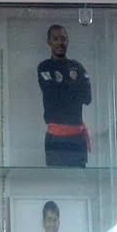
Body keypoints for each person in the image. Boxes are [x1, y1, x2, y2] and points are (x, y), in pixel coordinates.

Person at [37, 24, 91, 167]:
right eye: (56, 39)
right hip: (56, 138)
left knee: (80, 183)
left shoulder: (77, 66)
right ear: (49, 42)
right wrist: (74, 84)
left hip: (77, 137)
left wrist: (61, 85)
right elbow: (52, 95)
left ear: (68, 41)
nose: (60, 43)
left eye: (63, 39)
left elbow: (87, 97)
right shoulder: (44, 67)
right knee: (56, 183)